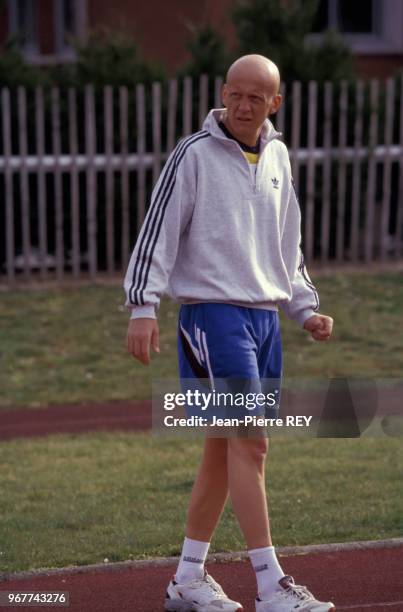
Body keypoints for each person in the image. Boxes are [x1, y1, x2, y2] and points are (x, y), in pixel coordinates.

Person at [124, 54, 335, 612]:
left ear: (275, 104)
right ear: (223, 93)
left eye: (254, 97)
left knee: (223, 449)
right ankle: (271, 586)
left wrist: (303, 308)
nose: (242, 106)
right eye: (234, 94)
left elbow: (286, 243)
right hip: (213, 317)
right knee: (252, 441)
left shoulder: (279, 155)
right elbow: (157, 229)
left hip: (264, 319)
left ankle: (188, 578)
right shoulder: (193, 154)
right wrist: (142, 306)